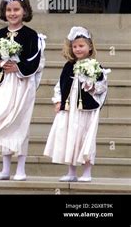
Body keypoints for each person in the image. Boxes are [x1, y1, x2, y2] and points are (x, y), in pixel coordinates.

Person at [0, 0, 46, 181]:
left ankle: (21, 168)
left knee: (20, 122)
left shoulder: (32, 36)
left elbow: (37, 61)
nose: (12, 13)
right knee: (4, 121)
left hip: (22, 83)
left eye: (16, 9)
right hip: (3, 84)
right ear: (4, 12)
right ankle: (6, 168)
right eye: (9, 10)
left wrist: (18, 67)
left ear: (25, 11)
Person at [44, 27, 109, 182]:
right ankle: (71, 171)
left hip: (86, 109)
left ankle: (87, 171)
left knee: (85, 138)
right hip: (69, 108)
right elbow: (60, 85)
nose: (78, 49)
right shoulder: (68, 66)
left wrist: (90, 85)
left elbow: (102, 86)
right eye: (75, 46)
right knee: (70, 137)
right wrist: (58, 100)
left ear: (90, 47)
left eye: (81, 46)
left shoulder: (95, 66)